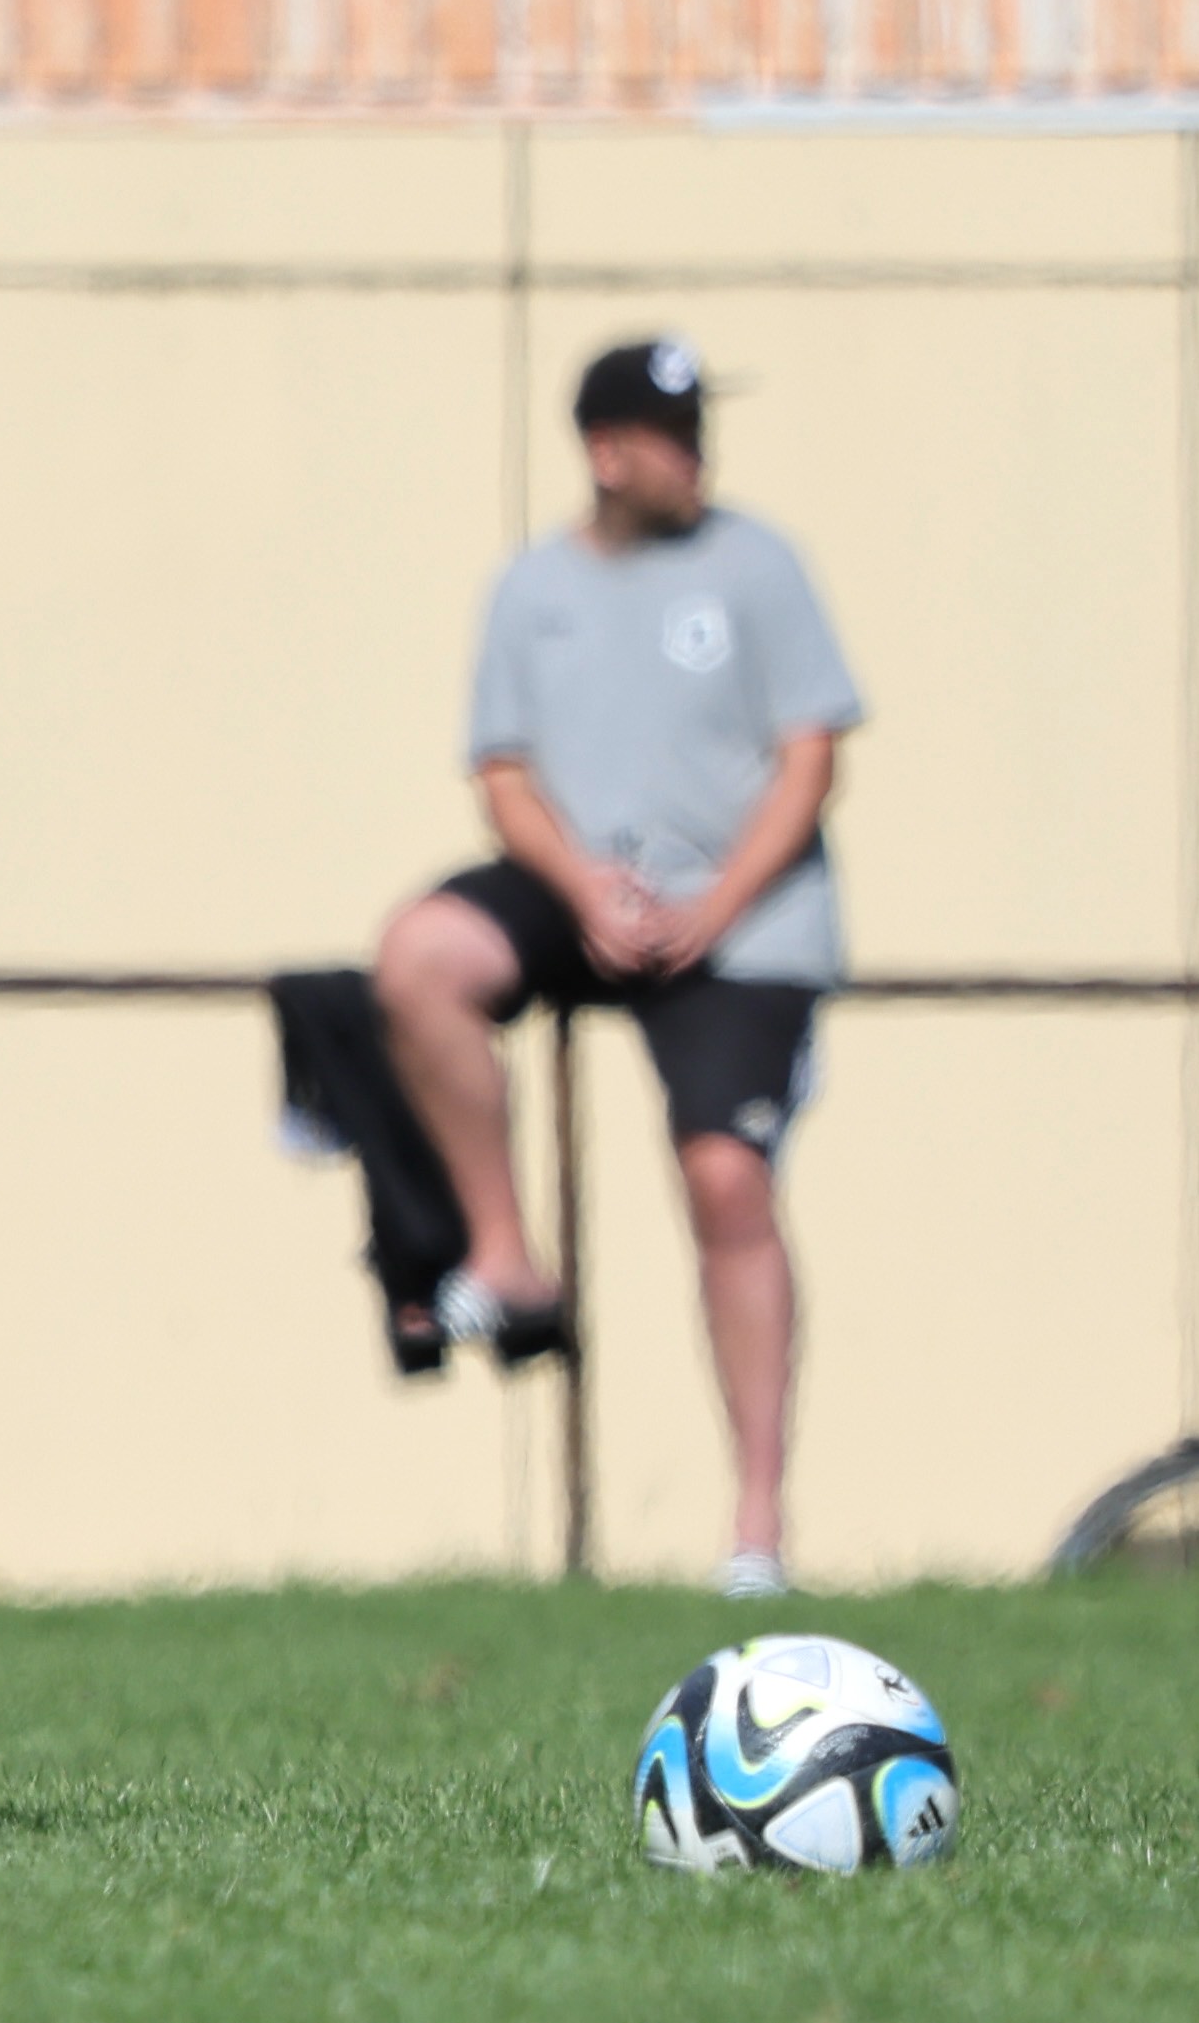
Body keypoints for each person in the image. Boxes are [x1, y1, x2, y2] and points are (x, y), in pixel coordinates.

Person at [368, 339, 862, 1597]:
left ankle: (756, 1526)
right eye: (671, 436)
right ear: (605, 452)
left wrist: (713, 903)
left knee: (723, 1177)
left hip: (741, 922)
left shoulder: (756, 566)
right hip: (591, 895)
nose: (696, 457)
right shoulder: (531, 588)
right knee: (420, 953)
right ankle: (504, 1254)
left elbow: (810, 758)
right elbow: (502, 775)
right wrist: (587, 889)